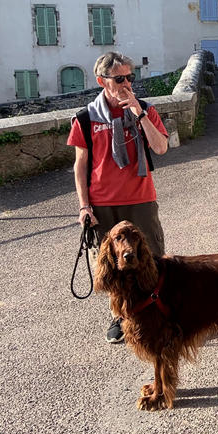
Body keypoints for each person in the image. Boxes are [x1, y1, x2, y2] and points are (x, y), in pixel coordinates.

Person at [67, 52, 170, 343]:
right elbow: (82, 164)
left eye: (130, 77)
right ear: (102, 81)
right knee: (113, 264)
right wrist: (84, 205)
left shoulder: (145, 110)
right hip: (102, 202)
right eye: (119, 78)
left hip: (140, 198)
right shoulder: (86, 118)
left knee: (151, 257)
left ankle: (156, 310)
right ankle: (120, 316)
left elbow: (160, 148)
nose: (126, 83)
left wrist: (139, 113)